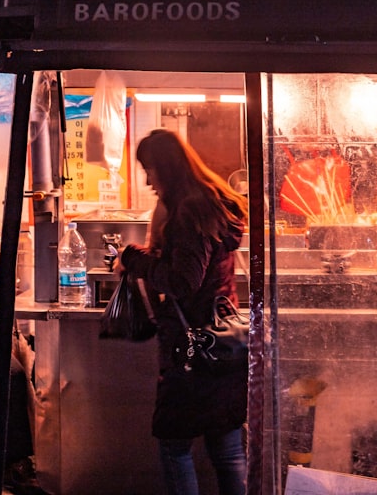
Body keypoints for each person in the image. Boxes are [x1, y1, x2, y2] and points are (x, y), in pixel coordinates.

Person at [115, 128, 248, 495]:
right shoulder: (211, 201)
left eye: (149, 170)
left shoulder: (190, 211)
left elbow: (183, 282)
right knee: (227, 449)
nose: (147, 180)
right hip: (223, 344)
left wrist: (133, 258)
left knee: (175, 446)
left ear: (166, 168)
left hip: (191, 349)